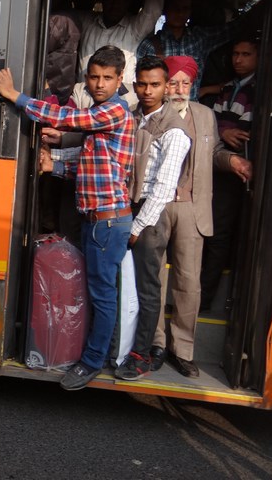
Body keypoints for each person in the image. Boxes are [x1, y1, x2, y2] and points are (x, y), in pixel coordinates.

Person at [0, 45, 135, 390]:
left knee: (102, 295)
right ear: (87, 78)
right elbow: (89, 169)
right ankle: (91, 354)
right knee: (96, 291)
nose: (99, 84)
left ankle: (92, 362)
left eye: (107, 78)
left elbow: (68, 119)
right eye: (94, 77)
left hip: (108, 222)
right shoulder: (103, 113)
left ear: (119, 80)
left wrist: (15, 96)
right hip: (97, 219)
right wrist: (52, 165)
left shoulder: (114, 111)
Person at [149, 56, 252, 377]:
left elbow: (215, 152)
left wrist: (232, 160)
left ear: (193, 86)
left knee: (188, 282)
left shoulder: (205, 115)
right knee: (154, 278)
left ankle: (183, 350)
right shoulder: (151, 114)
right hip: (156, 205)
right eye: (174, 83)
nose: (179, 89)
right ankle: (154, 344)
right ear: (164, 85)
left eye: (186, 83)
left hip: (193, 208)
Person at [114, 56, 191, 381]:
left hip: (148, 216)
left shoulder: (175, 130)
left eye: (155, 84)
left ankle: (141, 354)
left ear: (166, 86)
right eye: (142, 84)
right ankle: (119, 347)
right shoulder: (135, 119)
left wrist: (136, 226)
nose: (148, 90)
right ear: (134, 85)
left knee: (147, 288)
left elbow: (163, 189)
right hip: (126, 206)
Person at [200, 38, 258, 311]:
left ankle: (205, 299)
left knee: (219, 234)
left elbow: (245, 131)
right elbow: (215, 123)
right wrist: (223, 131)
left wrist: (222, 131)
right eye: (235, 53)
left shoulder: (259, 89)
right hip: (217, 165)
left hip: (236, 171)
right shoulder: (230, 87)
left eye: (245, 54)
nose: (238, 59)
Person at [136, 0, 265, 101]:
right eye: (175, 8)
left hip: (192, 112)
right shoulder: (150, 45)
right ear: (165, 9)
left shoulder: (199, 38)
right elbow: (142, 85)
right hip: (162, 113)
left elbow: (237, 25)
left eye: (185, 8)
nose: (180, 13)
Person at [78, 0, 166, 87]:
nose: (115, 4)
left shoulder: (134, 28)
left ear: (128, 2)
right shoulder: (86, 22)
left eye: (121, 0)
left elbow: (153, 10)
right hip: (85, 99)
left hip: (122, 100)